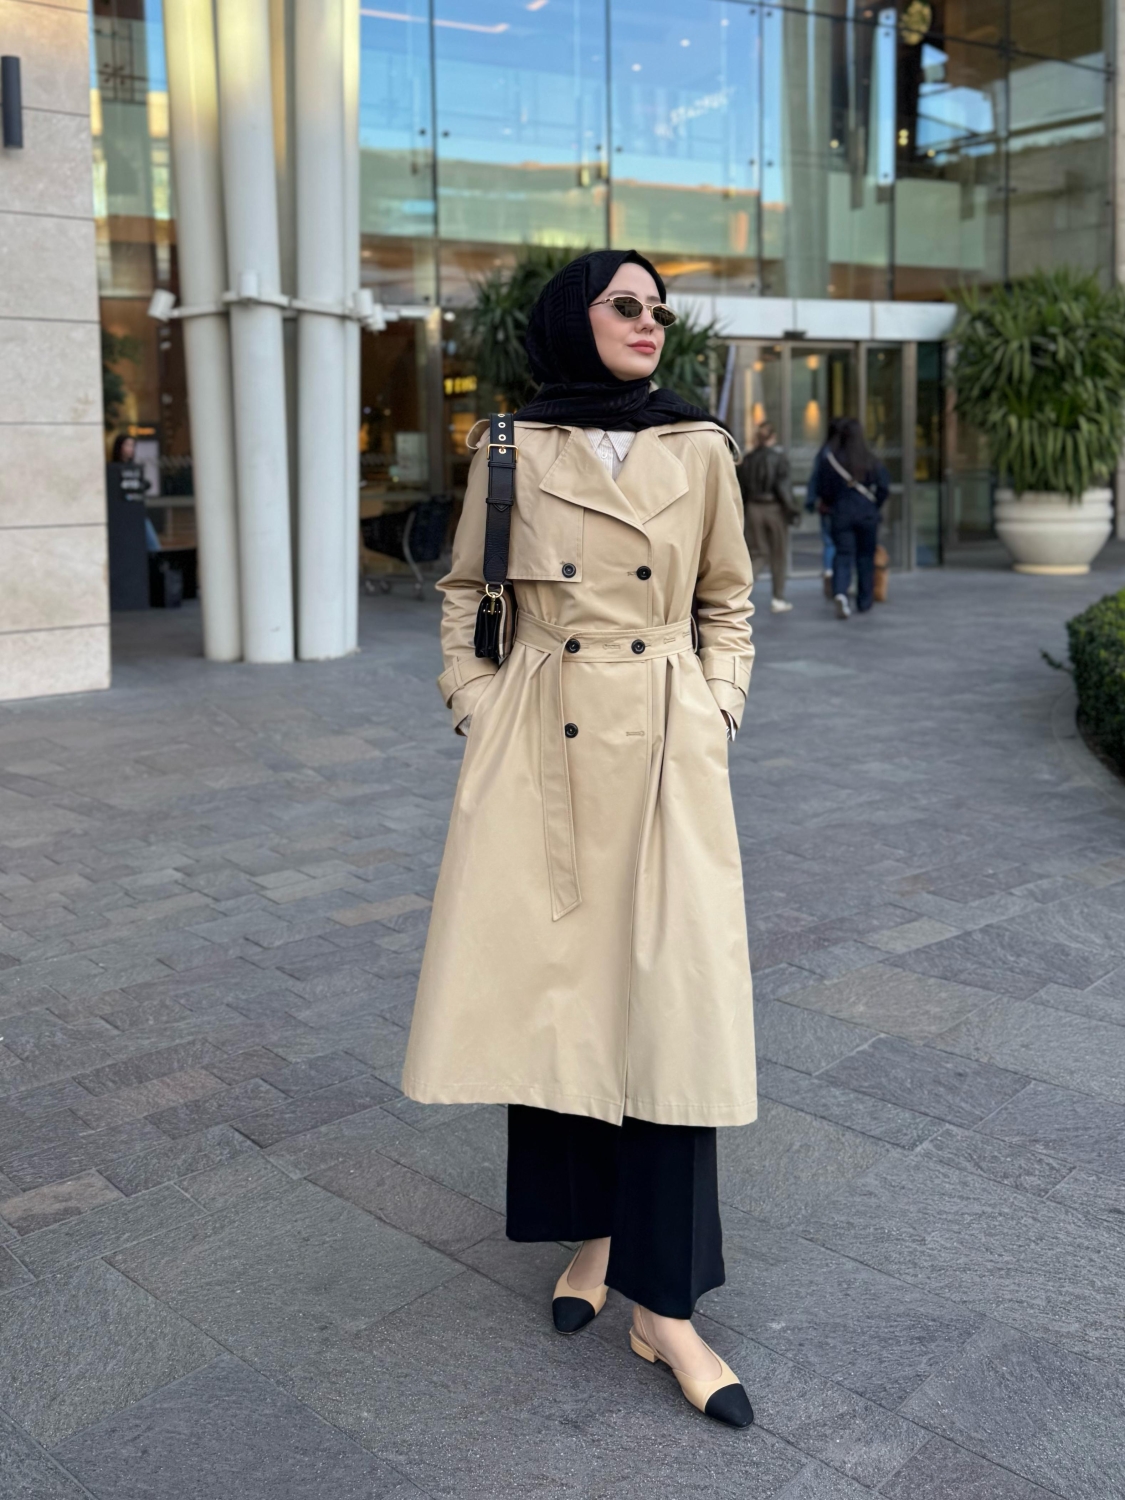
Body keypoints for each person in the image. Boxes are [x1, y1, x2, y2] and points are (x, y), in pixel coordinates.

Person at [402, 250, 757, 1428]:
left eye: (659, 307)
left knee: (674, 1020)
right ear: (574, 319)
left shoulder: (699, 447)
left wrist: (714, 712)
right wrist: (477, 706)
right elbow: (465, 594)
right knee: (562, 1003)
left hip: (663, 754)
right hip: (541, 755)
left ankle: (667, 1309)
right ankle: (592, 1235)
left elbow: (726, 601)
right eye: (626, 304)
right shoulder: (510, 446)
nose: (650, 322)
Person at [817, 417, 889, 618]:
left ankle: (840, 593)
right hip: (867, 515)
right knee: (865, 557)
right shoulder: (871, 460)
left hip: (841, 514)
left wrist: (834, 504)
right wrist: (874, 505)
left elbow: (824, 490)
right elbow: (883, 487)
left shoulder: (831, 461)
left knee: (842, 554)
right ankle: (864, 600)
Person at [737, 422, 799, 613]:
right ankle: (778, 598)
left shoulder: (747, 460)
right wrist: (792, 511)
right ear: (773, 437)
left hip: (753, 509)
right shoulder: (779, 459)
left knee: (757, 554)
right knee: (778, 555)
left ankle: (739, 595)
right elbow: (784, 488)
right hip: (774, 509)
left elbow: (740, 490)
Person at [807, 418, 842, 600]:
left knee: (830, 543)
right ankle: (839, 580)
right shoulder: (846, 452)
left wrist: (811, 500)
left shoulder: (824, 452)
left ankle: (829, 573)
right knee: (842, 544)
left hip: (827, 506)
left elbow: (815, 478)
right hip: (842, 506)